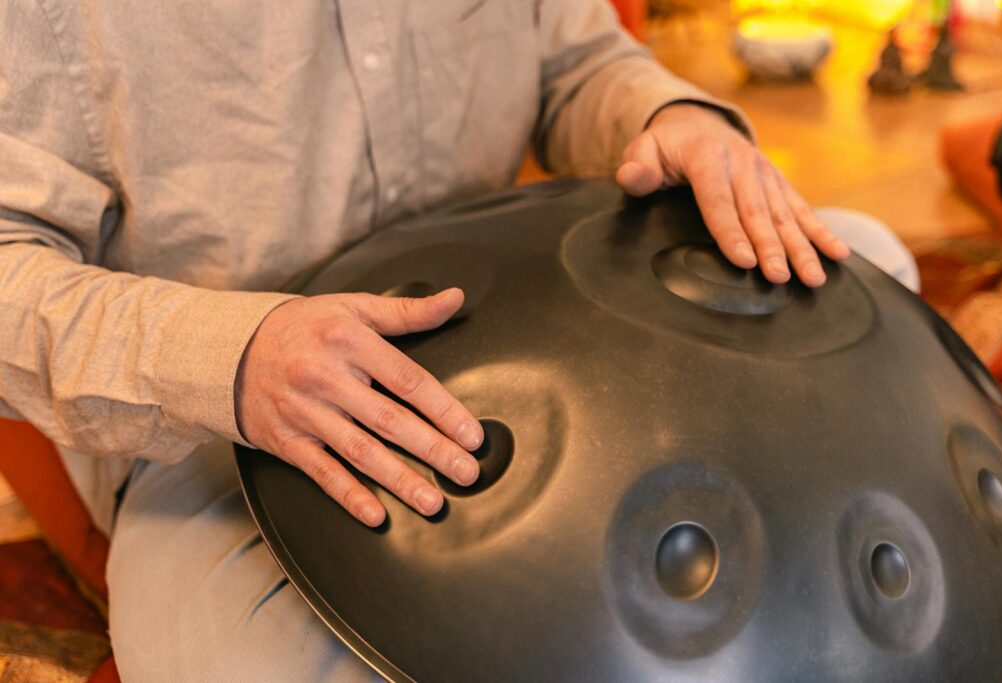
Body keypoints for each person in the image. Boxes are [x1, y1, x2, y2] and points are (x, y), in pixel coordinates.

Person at [0, 1, 917, 679]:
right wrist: (236, 359)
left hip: (514, 317)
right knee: (239, 663)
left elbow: (575, 61)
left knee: (862, 266)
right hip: (233, 424)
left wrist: (672, 119)